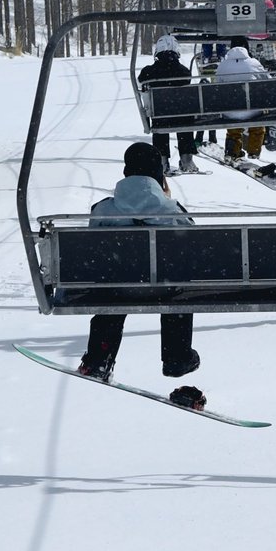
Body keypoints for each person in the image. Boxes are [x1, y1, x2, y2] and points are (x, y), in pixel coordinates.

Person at [78, 141, 201, 382]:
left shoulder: (103, 211)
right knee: (177, 297)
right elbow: (193, 248)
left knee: (112, 292)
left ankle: (99, 358)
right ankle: (176, 357)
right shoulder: (173, 211)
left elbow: (90, 251)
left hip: (118, 288)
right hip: (164, 287)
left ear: (127, 172)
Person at [138, 34, 199, 174]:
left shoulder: (148, 72)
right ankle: (186, 159)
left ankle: (162, 161)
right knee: (185, 123)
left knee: (160, 127)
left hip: (160, 117)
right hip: (181, 116)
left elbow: (140, 82)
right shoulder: (183, 71)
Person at [214, 36, 271, 161]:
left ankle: (232, 150)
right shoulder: (254, 63)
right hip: (252, 110)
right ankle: (254, 151)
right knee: (257, 126)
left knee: (233, 125)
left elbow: (216, 87)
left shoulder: (223, 66)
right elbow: (267, 82)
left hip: (230, 111)